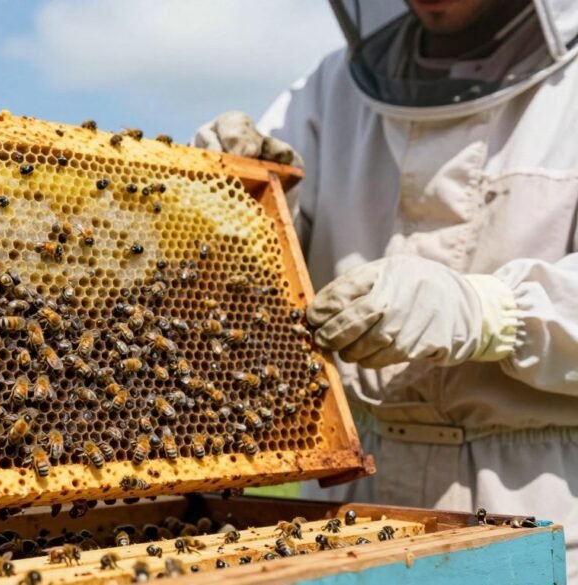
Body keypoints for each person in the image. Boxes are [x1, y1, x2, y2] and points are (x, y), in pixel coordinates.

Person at [194, 0, 578, 579]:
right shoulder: (327, 88)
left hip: (538, 502)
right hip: (346, 504)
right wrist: (252, 210)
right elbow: (241, 290)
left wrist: (491, 311)